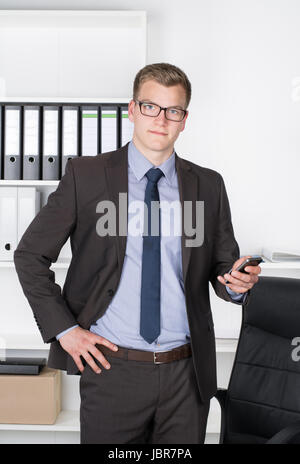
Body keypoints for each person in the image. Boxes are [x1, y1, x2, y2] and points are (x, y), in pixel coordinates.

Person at [14, 62, 261, 444]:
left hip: (186, 375)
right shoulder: (88, 176)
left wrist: (236, 283)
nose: (161, 119)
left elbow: (221, 267)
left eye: (172, 110)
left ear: (184, 120)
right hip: (112, 369)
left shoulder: (208, 185)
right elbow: (29, 255)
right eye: (150, 107)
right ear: (131, 110)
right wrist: (66, 331)